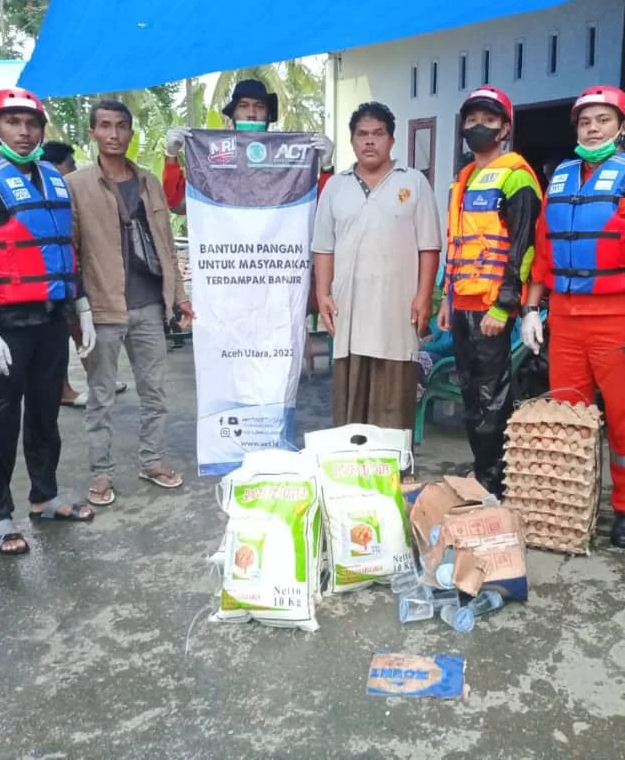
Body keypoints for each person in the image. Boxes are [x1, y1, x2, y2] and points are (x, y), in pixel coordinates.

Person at [521, 86, 625, 549]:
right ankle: (570, 505)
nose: (592, 128)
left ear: (624, 127)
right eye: (585, 121)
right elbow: (544, 251)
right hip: (567, 320)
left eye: (603, 120)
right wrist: (532, 309)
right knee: (568, 417)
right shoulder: (559, 177)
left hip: (621, 316)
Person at [0, 88, 97, 556]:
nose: (24, 130)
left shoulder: (54, 179)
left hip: (51, 319)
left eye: (31, 122)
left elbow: (64, 250)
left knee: (45, 416)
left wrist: (82, 305)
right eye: (12, 122)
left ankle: (45, 497)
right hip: (4, 326)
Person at [67, 99, 191, 507]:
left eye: (121, 126)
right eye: (105, 126)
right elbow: (70, 251)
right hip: (102, 308)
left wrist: (180, 298)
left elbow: (167, 246)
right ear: (93, 133)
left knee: (154, 392)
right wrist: (77, 308)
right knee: (100, 396)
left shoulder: (148, 182)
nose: (114, 134)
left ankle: (151, 461)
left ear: (130, 133)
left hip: (149, 305)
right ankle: (101, 474)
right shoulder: (77, 186)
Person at [438, 86, 542, 498]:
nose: (479, 126)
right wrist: (447, 301)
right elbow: (458, 244)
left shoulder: (517, 176)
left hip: (490, 308)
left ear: (505, 128)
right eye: (472, 119)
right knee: (471, 393)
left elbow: (524, 247)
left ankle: (495, 478)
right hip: (461, 305)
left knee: (492, 396)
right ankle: (484, 468)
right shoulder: (464, 178)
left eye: (489, 119)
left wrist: (504, 306)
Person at [312, 101, 442, 429]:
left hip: (397, 308)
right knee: (350, 386)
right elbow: (323, 247)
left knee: (394, 388)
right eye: (362, 134)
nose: (369, 141)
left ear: (391, 140)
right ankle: (350, 462)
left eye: (378, 134)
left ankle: (393, 465)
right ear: (353, 141)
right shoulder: (335, 187)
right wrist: (323, 293)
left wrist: (423, 297)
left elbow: (429, 247)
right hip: (349, 306)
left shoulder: (413, 183)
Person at [162, 78, 336, 316]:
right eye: (244, 105)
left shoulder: (289, 158)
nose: (252, 113)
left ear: (268, 114)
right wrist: (171, 156)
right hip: (227, 278)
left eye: (259, 106)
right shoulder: (213, 154)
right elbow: (177, 202)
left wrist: (326, 168)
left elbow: (318, 208)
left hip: (276, 277)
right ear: (233, 113)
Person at [42, 141, 128, 410]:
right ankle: (63, 390)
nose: (74, 170)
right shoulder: (44, 194)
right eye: (71, 165)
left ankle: (100, 379)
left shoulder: (68, 194)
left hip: (76, 274)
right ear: (55, 166)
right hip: (54, 279)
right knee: (59, 338)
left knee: (82, 331)